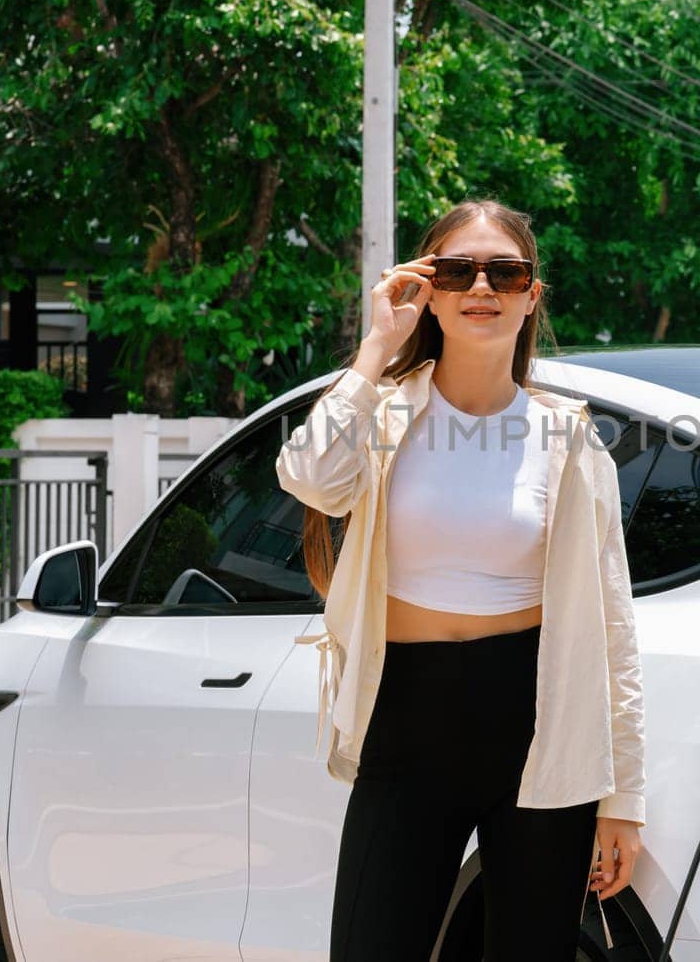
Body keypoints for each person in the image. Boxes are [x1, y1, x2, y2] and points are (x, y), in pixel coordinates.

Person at [275, 198, 646, 960]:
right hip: (406, 715)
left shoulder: (571, 440)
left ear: (531, 294)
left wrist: (624, 799)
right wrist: (377, 344)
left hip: (537, 722)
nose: (482, 285)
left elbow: (613, 631)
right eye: (456, 269)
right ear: (427, 287)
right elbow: (309, 476)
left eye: (505, 271)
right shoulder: (381, 415)